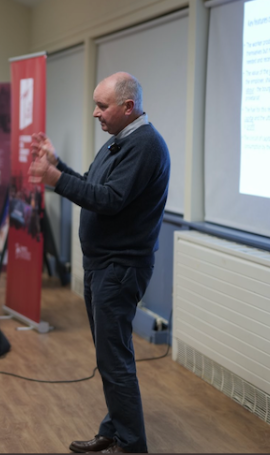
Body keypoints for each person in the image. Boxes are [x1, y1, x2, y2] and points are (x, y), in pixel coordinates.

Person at [29, 72, 170, 454]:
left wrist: (55, 178)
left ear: (128, 107)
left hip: (119, 269)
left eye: (102, 106)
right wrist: (58, 165)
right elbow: (93, 187)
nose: (95, 113)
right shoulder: (119, 142)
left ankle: (131, 445)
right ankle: (115, 428)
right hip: (102, 266)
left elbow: (109, 200)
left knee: (115, 360)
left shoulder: (145, 145)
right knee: (110, 359)